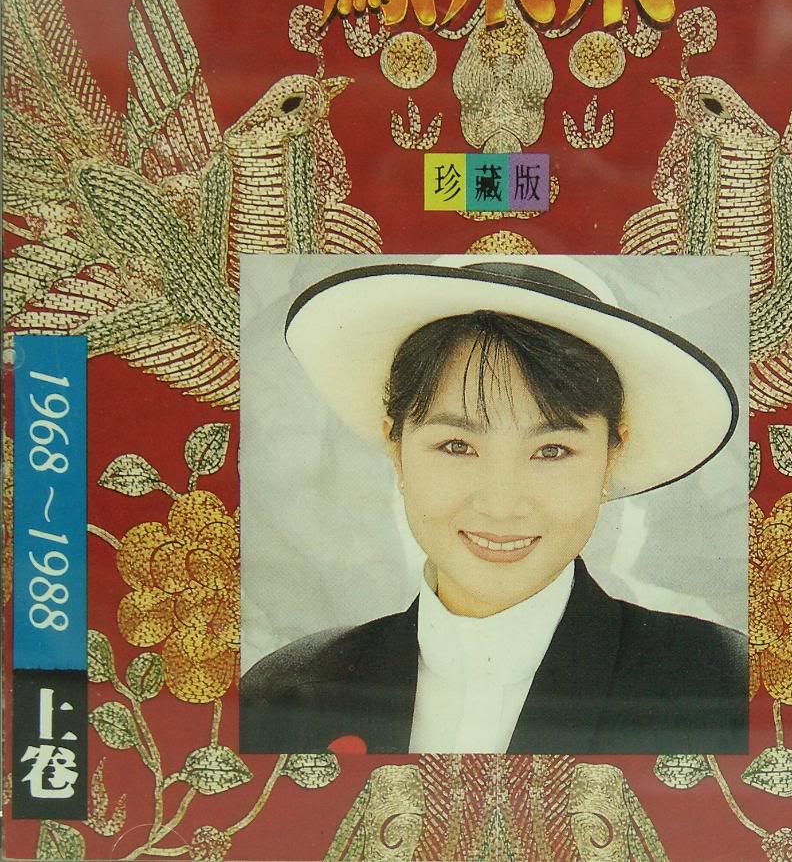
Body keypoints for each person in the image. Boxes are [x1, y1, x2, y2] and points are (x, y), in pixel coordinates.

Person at [240, 257, 747, 754]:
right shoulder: (285, 696)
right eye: (457, 446)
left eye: (552, 451)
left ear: (610, 458)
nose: (502, 506)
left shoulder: (720, 688)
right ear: (397, 449)